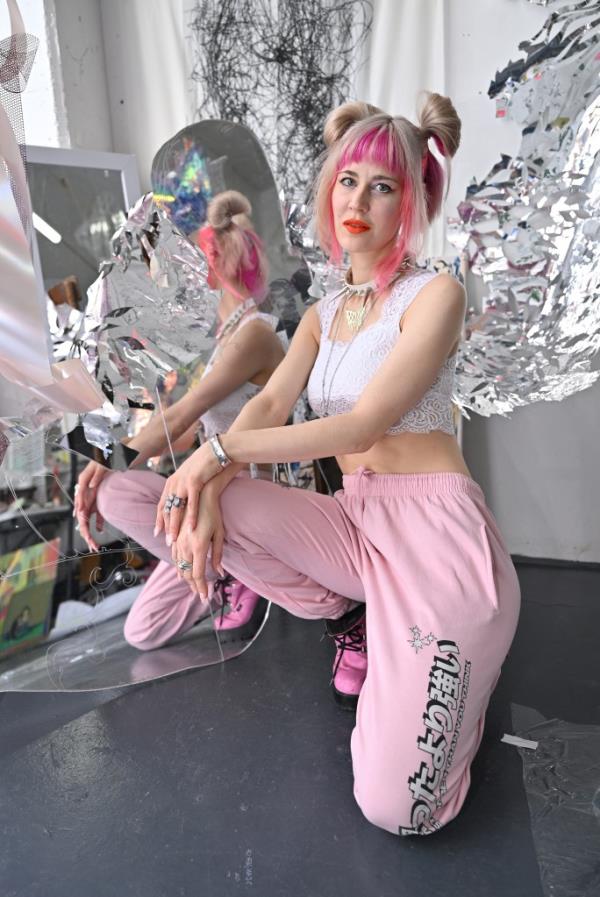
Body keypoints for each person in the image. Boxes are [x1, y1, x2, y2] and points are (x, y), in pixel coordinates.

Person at [144, 92, 521, 837]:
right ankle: (357, 618)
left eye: (382, 186)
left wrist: (214, 455)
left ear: (410, 203)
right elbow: (269, 402)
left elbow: (361, 423)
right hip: (359, 524)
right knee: (225, 504)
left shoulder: (436, 294)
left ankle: (455, 676)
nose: (358, 201)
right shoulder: (322, 315)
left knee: (399, 812)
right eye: (348, 181)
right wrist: (206, 487)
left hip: (436, 539)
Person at [74, 190, 286, 648]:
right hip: (211, 495)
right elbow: (185, 429)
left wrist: (108, 462)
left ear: (211, 262)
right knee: (142, 631)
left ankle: (240, 568)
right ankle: (222, 568)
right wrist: (106, 455)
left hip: (242, 494)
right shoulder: (227, 338)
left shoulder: (255, 335)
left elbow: (181, 416)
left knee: (113, 490)